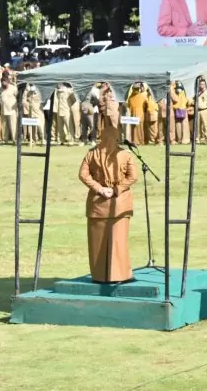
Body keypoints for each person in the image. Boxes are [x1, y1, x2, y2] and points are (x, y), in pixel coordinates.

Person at [78, 85, 139, 283]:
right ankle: (120, 274)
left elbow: (83, 175)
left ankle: (100, 275)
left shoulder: (92, 153)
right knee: (118, 242)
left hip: (98, 201)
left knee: (98, 242)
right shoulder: (125, 154)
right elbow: (133, 177)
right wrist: (116, 189)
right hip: (118, 201)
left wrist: (99, 188)